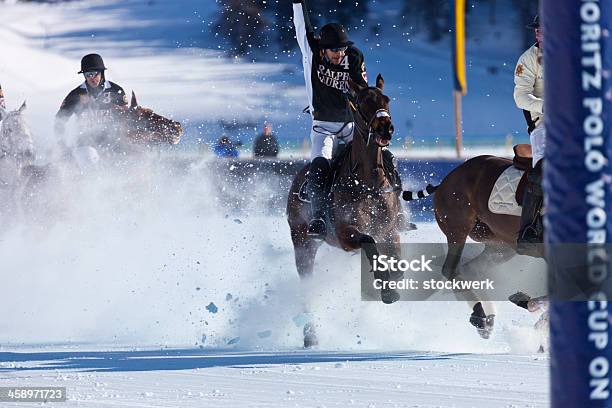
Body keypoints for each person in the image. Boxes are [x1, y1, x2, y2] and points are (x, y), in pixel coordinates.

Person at [293, 0, 403, 239]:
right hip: (324, 128)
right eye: (334, 50)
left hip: (353, 126)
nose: (339, 54)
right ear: (323, 48)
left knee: (386, 158)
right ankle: (319, 217)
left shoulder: (353, 56)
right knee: (320, 164)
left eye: (342, 49)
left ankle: (399, 212)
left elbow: (362, 92)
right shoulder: (312, 52)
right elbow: (301, 25)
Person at [513, 15, 544, 251]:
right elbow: (520, 96)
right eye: (537, 31)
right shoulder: (528, 59)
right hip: (544, 125)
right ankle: (528, 232)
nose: (539, 35)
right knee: (541, 173)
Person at [55, 54, 128, 147]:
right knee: (90, 157)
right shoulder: (75, 94)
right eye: (88, 74)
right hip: (86, 144)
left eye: (94, 73)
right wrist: (62, 144)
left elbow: (127, 119)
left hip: (114, 142)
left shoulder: (116, 90)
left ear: (101, 72)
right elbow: (60, 120)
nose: (92, 78)